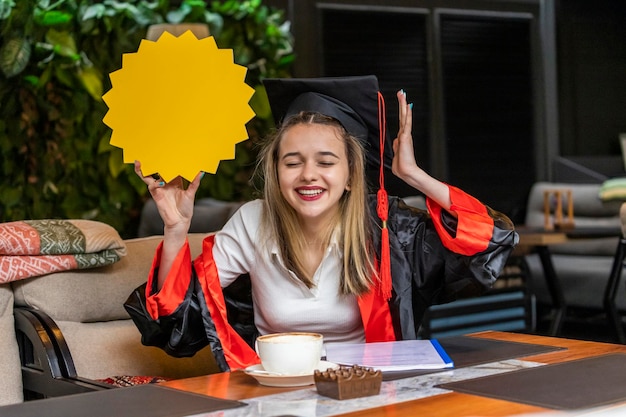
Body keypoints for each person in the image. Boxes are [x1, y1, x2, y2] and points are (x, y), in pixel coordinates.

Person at [125, 75, 518, 373]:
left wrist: (414, 176)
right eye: (292, 162)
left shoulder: (385, 227)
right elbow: (177, 320)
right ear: (276, 172)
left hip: (370, 388)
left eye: (326, 162)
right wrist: (176, 230)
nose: (308, 175)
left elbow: (490, 240)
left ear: (350, 175)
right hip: (276, 391)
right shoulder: (253, 221)